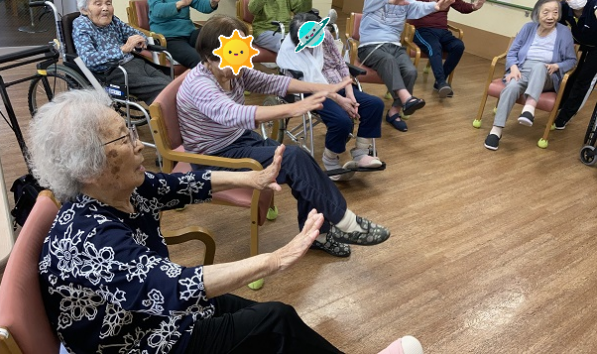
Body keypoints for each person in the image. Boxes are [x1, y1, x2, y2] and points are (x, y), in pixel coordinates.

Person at [29, 89, 423, 353]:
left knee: (259, 316)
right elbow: (173, 287)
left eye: (131, 130)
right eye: (124, 138)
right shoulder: (89, 240)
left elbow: (183, 185)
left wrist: (253, 179)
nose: (138, 144)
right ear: (90, 168)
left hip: (151, 312)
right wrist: (275, 259)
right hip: (133, 341)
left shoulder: (119, 188)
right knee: (274, 321)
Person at [177, 15, 391, 257]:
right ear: (209, 55)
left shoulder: (232, 70)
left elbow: (273, 82)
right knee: (294, 159)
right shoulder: (200, 84)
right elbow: (235, 114)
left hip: (238, 140)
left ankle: (319, 234)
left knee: (303, 162)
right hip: (213, 158)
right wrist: (293, 108)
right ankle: (347, 223)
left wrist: (324, 89)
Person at [277, 12, 384, 181]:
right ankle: (330, 158)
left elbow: (341, 64)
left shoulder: (325, 35)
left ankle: (361, 152)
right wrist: (340, 100)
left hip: (338, 85)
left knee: (375, 104)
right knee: (342, 121)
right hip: (313, 91)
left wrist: (349, 93)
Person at [358, 0, 455, 132]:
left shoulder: (405, 0)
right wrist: (393, 0)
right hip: (370, 47)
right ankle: (406, 99)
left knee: (410, 71)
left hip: (394, 46)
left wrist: (435, 6)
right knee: (388, 60)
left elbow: (418, 6)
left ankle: (394, 112)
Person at [483, 0, 577, 151]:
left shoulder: (564, 32)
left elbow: (571, 60)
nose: (551, 16)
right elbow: (512, 52)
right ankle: (496, 130)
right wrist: (513, 67)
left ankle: (529, 108)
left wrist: (557, 65)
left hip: (547, 74)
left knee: (540, 67)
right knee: (512, 87)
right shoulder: (528, 28)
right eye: (546, 12)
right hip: (522, 69)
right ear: (537, 13)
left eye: (555, 12)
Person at [72, 0, 171, 105]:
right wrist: (123, 49)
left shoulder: (113, 20)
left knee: (171, 85)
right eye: (98, 4)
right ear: (84, 10)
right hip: (114, 71)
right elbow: (89, 59)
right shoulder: (81, 25)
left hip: (135, 62)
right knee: (162, 90)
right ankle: (165, 115)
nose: (105, 8)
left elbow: (136, 33)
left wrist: (140, 40)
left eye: (108, 3)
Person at [410, 0, 486, 98]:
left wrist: (474, 6)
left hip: (442, 31)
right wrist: (429, 5)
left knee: (458, 46)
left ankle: (440, 82)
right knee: (435, 46)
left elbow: (461, 6)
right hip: (422, 29)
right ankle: (441, 82)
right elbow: (413, 9)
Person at [553, 0, 597, 130]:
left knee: (584, 81)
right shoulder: (563, 8)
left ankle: (564, 118)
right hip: (582, 43)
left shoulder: (594, 4)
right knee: (571, 76)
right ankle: (559, 106)